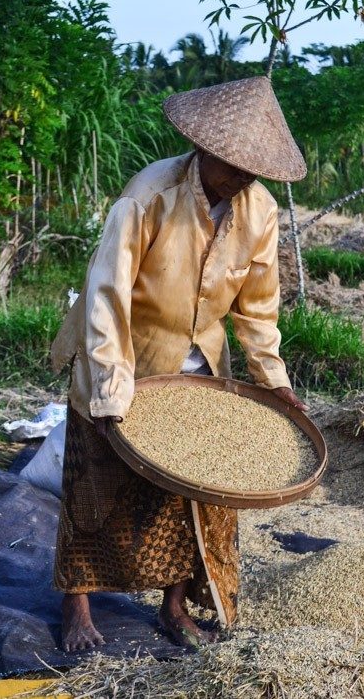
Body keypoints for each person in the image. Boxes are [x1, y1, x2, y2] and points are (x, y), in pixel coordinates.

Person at [47, 76, 308, 651]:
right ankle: (77, 607)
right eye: (234, 165)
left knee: (195, 492)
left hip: (198, 370)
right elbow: (106, 296)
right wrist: (113, 391)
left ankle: (174, 606)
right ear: (205, 149)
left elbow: (258, 312)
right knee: (97, 485)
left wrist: (275, 383)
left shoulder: (259, 212)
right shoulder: (149, 194)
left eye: (253, 170)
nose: (243, 177)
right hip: (122, 353)